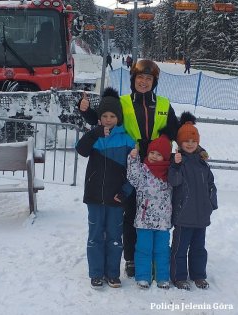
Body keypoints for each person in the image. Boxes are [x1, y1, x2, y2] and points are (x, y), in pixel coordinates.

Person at [78, 59, 179, 278]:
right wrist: (85, 112)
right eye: (140, 78)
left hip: (156, 168)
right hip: (128, 163)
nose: (144, 82)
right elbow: (103, 117)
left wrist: (188, 148)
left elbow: (174, 130)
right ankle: (132, 258)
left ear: (154, 82)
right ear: (133, 80)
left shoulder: (163, 104)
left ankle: (154, 255)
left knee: (155, 211)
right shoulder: (122, 102)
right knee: (132, 211)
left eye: (149, 79)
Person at [76, 87, 135, 289]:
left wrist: (125, 192)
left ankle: (112, 273)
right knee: (95, 236)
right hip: (94, 196)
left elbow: (134, 171)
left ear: (118, 118)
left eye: (112, 116)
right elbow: (81, 150)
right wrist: (94, 133)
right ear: (99, 117)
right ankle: (96, 273)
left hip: (116, 199)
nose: (108, 119)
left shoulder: (127, 140)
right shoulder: (95, 136)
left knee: (114, 237)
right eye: (104, 116)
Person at [168, 112, 218, 291]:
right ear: (180, 143)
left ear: (197, 142)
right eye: (186, 141)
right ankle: (179, 276)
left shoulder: (202, 162)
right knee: (180, 249)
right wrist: (175, 165)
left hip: (201, 216)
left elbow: (211, 184)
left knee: (199, 249)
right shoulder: (178, 161)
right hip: (184, 215)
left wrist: (211, 203)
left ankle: (198, 275)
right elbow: (173, 181)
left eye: (193, 141)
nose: (190, 144)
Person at [126, 135, 173, 290]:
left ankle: (162, 277)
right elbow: (133, 178)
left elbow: (179, 179)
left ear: (165, 157)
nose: (154, 156)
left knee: (162, 250)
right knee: (143, 249)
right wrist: (133, 159)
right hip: (144, 220)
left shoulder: (169, 174)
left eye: (159, 154)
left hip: (163, 221)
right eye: (152, 152)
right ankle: (143, 276)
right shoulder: (143, 170)